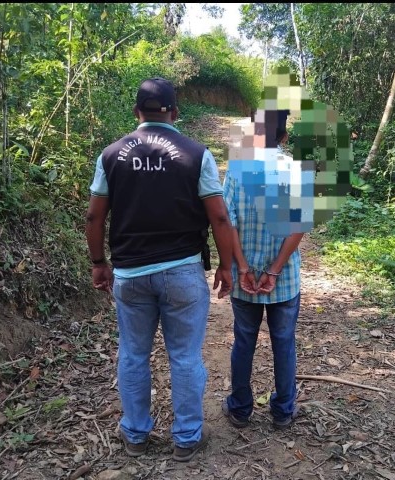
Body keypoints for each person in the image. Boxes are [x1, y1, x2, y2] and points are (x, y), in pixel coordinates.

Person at [85, 77, 234, 462]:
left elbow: (94, 216)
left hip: (130, 275)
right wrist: (226, 265)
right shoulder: (196, 154)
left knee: (133, 354)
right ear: (175, 112)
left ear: (136, 112)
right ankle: (186, 438)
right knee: (185, 357)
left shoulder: (111, 155)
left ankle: (135, 435)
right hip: (182, 272)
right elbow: (219, 216)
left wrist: (99, 263)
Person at [222, 110, 304, 430]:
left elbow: (227, 223)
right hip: (283, 280)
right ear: (284, 137)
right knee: (284, 343)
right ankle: (283, 410)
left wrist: (243, 267)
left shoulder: (237, 170)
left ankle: (241, 409)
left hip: (245, 279)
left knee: (244, 341)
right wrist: (274, 271)